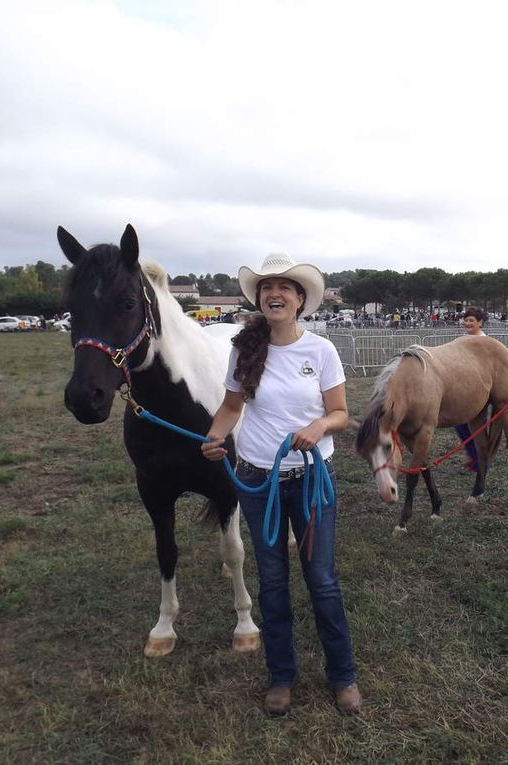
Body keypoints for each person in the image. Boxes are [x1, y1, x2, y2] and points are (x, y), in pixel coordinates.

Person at [201, 253, 360, 717]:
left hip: (312, 479)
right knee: (271, 581)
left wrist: (320, 427)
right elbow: (231, 408)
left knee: (322, 580)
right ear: (259, 298)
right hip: (256, 479)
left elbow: (341, 414)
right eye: (267, 287)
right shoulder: (244, 350)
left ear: (300, 299)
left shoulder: (321, 352)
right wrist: (214, 436)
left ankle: (343, 674)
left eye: (285, 287)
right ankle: (282, 675)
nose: (275, 293)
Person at [455, 306, 487, 473]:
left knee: (476, 427)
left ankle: (481, 461)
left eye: (471, 320)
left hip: (480, 390)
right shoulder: (464, 340)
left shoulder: (485, 343)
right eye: (466, 320)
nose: (467, 323)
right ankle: (475, 457)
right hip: (465, 390)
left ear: (480, 323)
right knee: (461, 425)